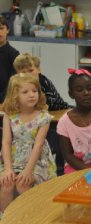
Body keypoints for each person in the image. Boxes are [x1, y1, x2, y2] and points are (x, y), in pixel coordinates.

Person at [0, 73, 57, 214]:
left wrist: (27, 171)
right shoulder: (9, 115)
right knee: (7, 184)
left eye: (34, 91)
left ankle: (30, 217)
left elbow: (38, 145)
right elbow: (6, 142)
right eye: (25, 92)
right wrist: (8, 169)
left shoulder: (43, 117)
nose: (32, 95)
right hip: (12, 160)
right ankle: (5, 218)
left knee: (22, 184)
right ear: (15, 95)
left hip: (36, 161)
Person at [13, 53, 72, 175]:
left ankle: (59, 168)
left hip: (53, 116)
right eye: (23, 72)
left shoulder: (43, 82)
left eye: (31, 70)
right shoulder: (16, 86)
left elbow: (58, 103)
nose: (28, 75)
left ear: (38, 70)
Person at [0, 15, 19, 103]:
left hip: (6, 100)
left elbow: (13, 82)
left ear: (7, 30)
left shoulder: (14, 54)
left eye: (1, 28)